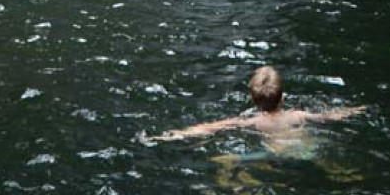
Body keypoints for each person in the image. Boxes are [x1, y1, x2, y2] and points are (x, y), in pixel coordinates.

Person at [151, 65, 365, 143]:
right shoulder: (298, 115)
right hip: (306, 147)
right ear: (283, 98)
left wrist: (174, 135)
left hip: (275, 152)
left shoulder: (252, 122)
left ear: (253, 100)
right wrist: (356, 110)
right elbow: (331, 116)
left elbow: (211, 128)